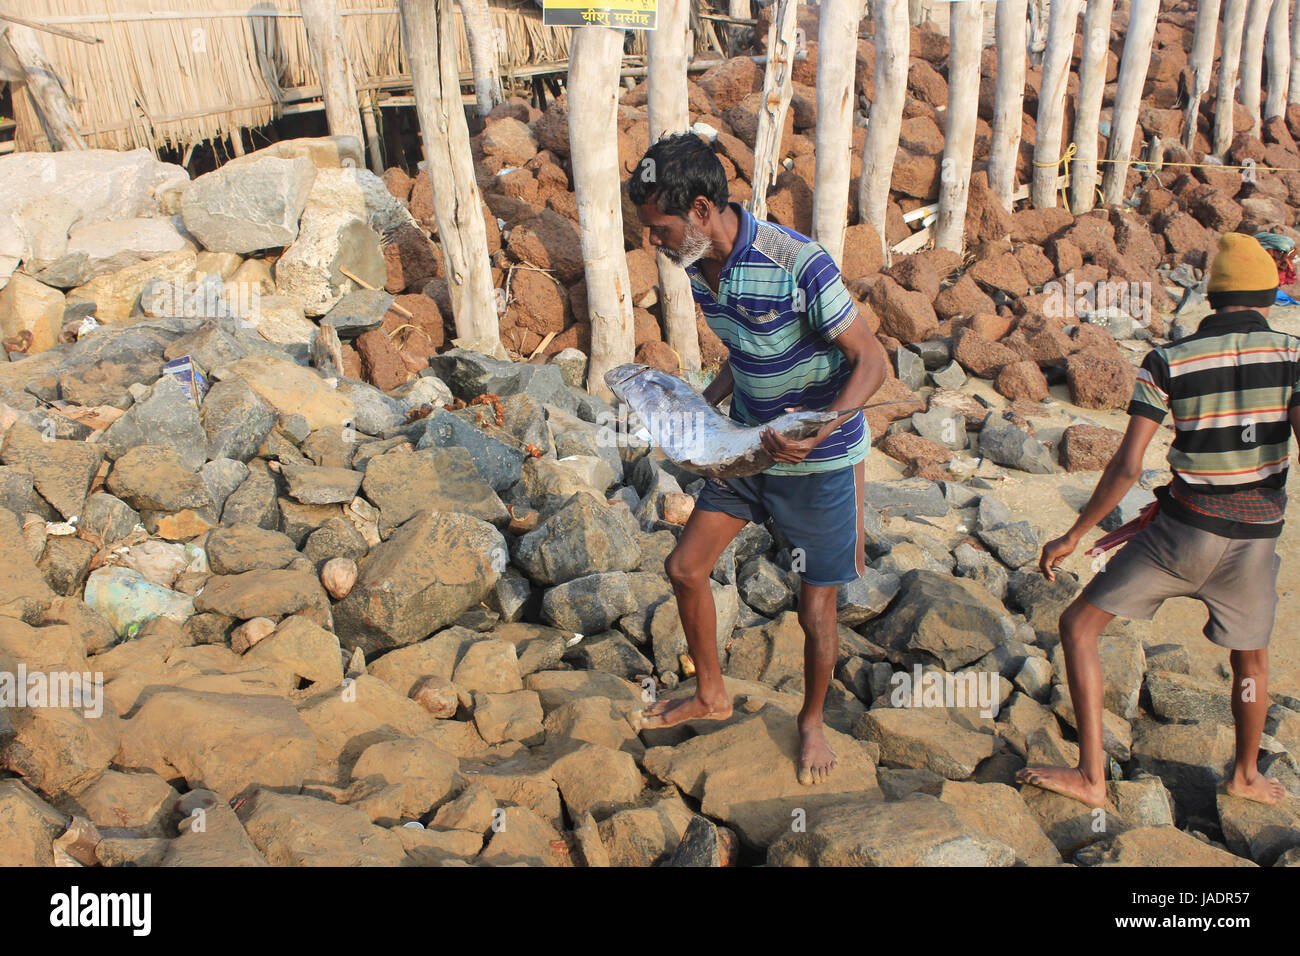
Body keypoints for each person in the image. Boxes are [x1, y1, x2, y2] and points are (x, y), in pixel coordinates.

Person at [626, 132, 888, 785]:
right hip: (747, 450)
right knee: (685, 568)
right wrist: (700, 408)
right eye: (647, 231)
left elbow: (872, 360)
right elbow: (745, 355)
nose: (652, 242)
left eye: (660, 228)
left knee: (815, 610)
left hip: (820, 464)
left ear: (703, 209)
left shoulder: (797, 262)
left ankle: (810, 722)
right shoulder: (695, 265)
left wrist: (819, 432)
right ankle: (712, 694)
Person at [1020, 232, 1300, 807]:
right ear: (1269, 297)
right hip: (1254, 540)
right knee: (1250, 660)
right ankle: (1245, 774)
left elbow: (1127, 466)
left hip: (1179, 537)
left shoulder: (1167, 362)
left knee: (1078, 628)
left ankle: (1093, 779)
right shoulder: (1293, 357)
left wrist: (1075, 534)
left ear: (1213, 299)